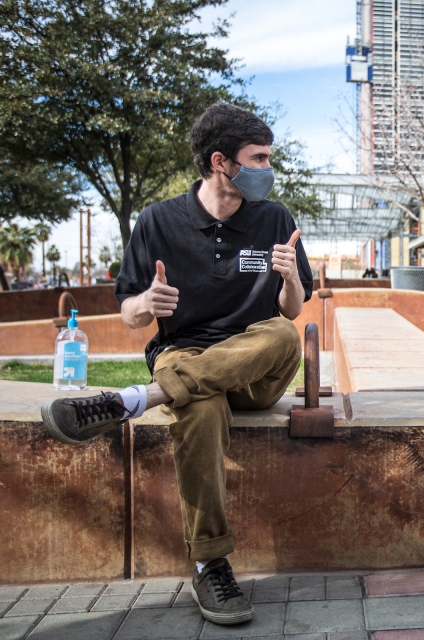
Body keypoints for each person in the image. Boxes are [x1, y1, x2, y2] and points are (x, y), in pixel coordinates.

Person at [40, 103, 313, 626]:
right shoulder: (158, 220)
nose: (267, 169)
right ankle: (211, 561)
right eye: (257, 158)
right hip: (185, 355)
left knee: (282, 334)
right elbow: (127, 313)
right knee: (201, 407)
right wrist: (147, 304)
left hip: (255, 360)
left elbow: (291, 313)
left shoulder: (276, 218)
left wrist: (292, 280)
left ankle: (136, 400)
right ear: (220, 162)